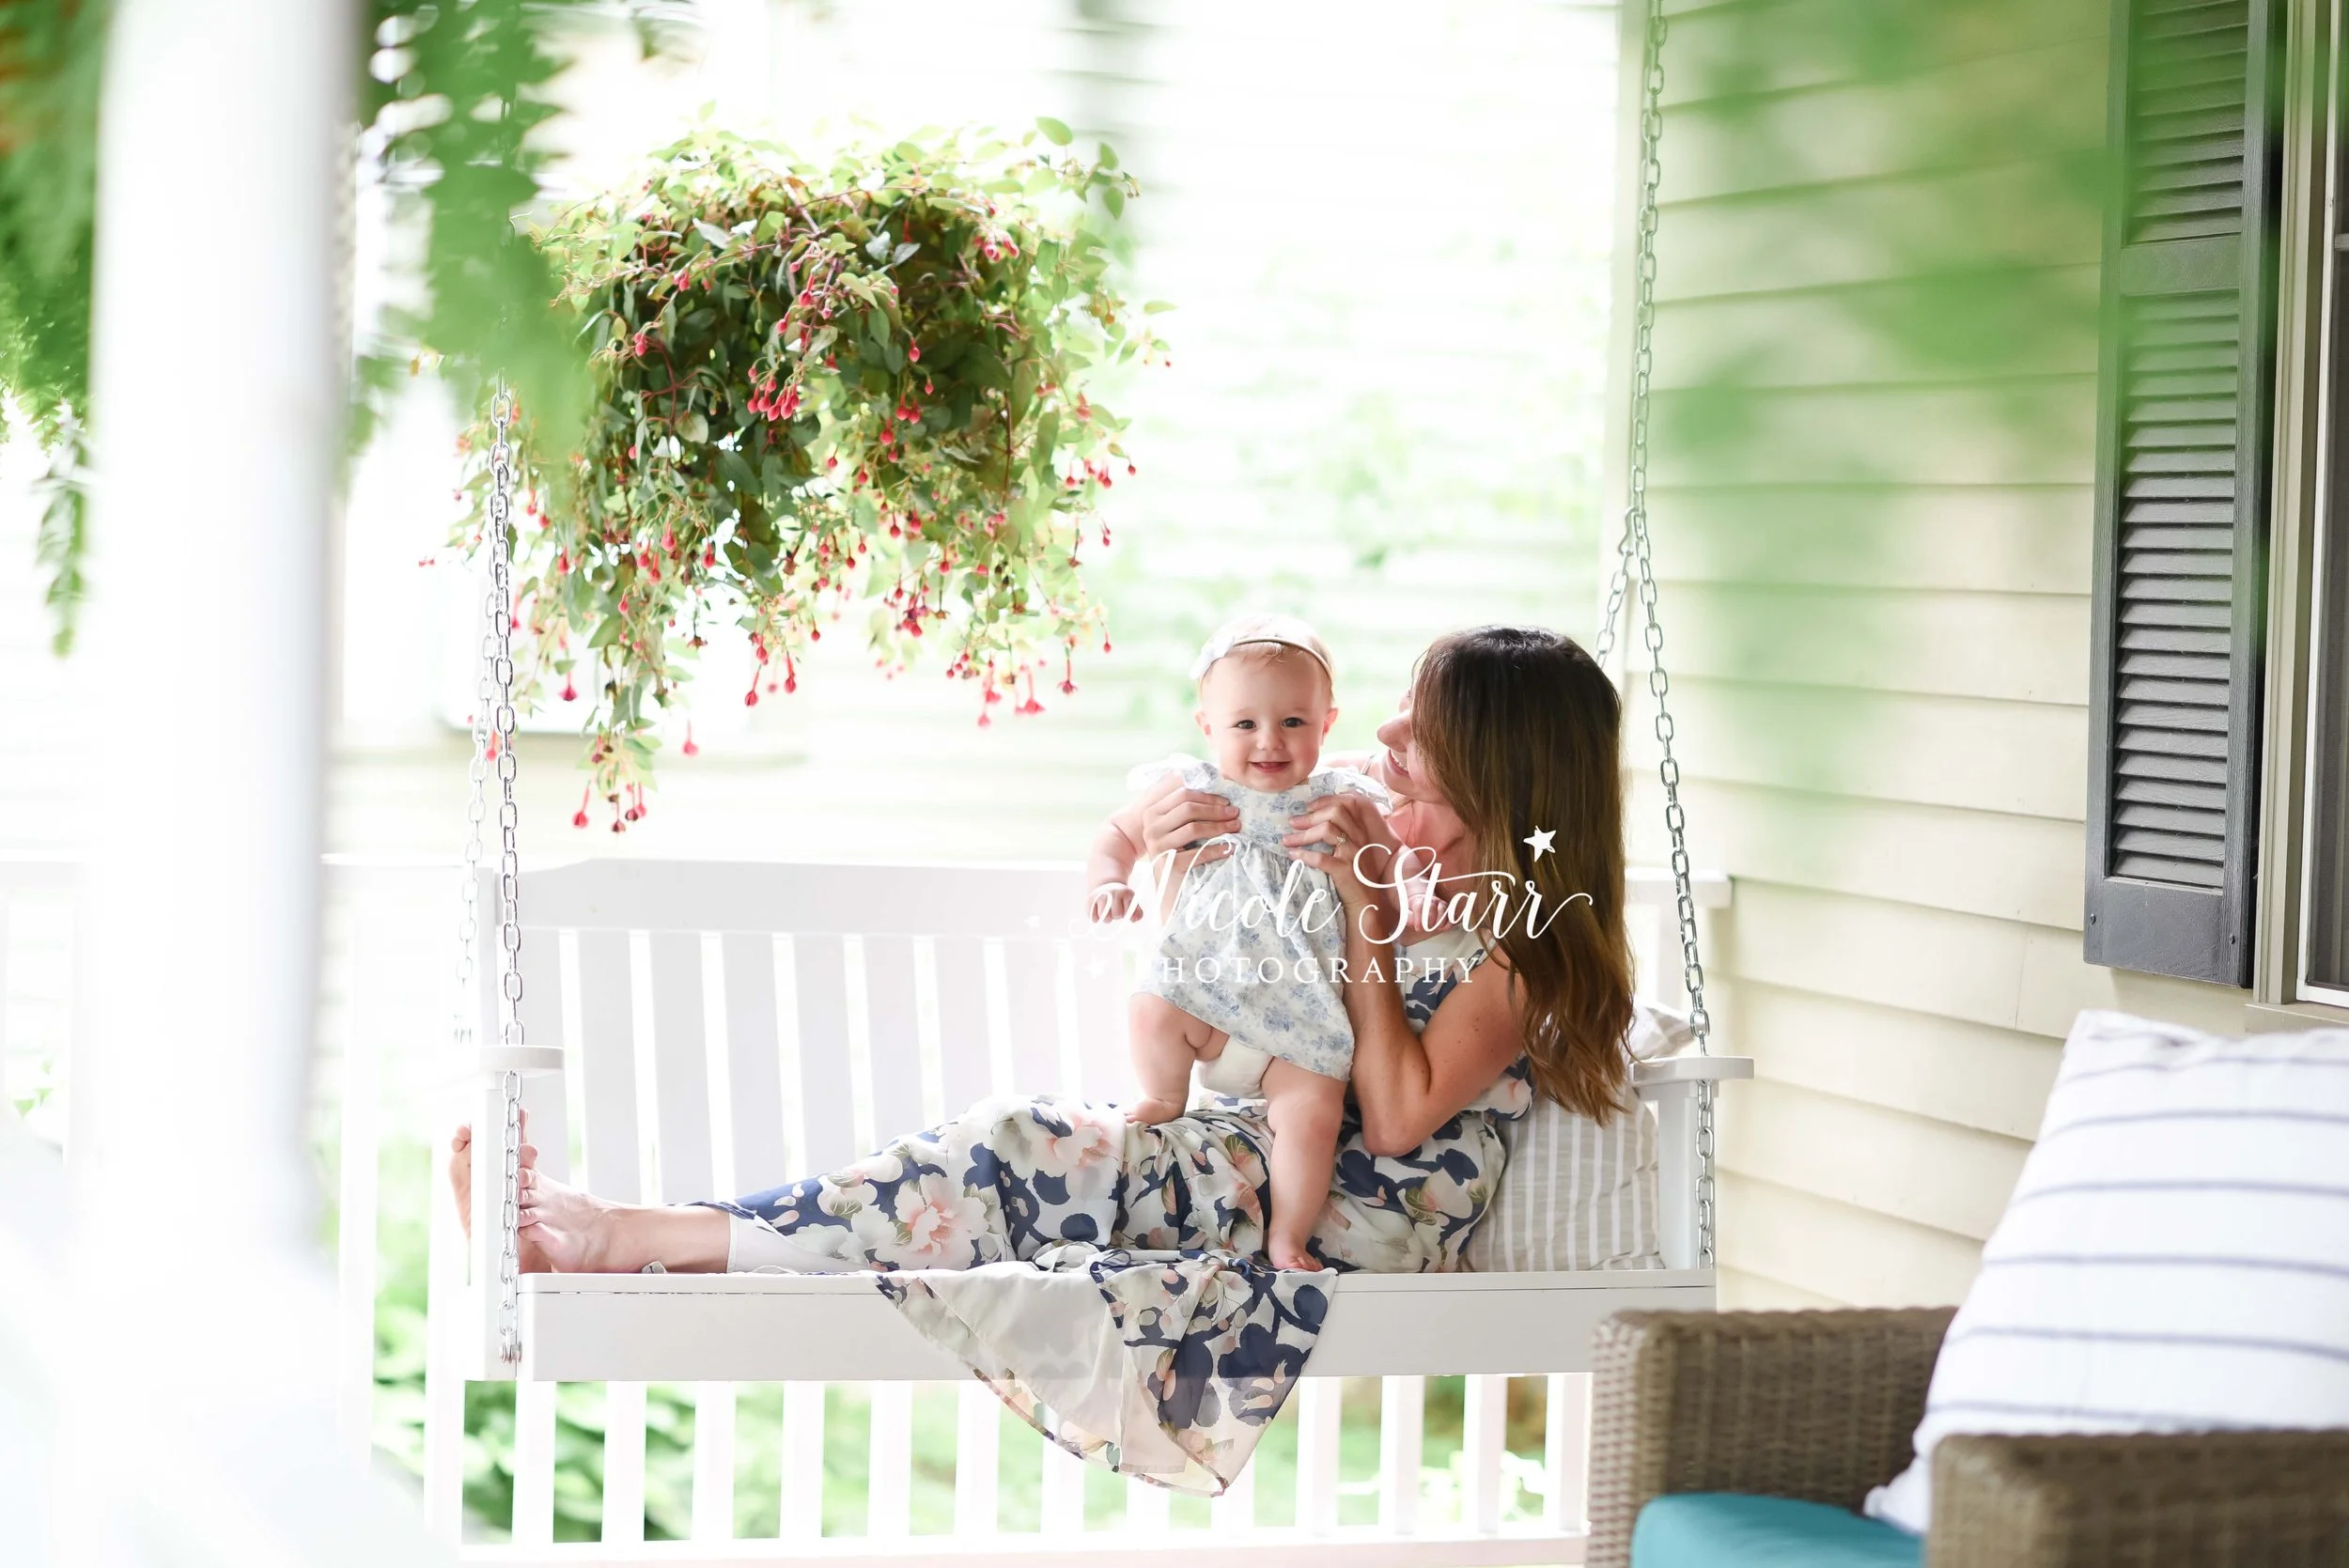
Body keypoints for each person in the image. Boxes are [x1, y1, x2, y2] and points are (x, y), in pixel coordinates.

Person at [450, 624, 1636, 1283]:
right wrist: (1163, 842)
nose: (1384, 731)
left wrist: (1366, 916)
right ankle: (627, 1233)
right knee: (1008, 1148)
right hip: (1250, 1152)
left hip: (1358, 1210)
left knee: (1014, 1146)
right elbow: (1248, 855)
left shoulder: (1522, 946)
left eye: (1422, 724)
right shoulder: (1398, 854)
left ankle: (621, 1237)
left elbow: (1397, 1119)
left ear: (1497, 767)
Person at [1086, 612, 1386, 1271]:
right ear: (1208, 727)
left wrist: (1407, 888)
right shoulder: (1193, 790)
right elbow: (1118, 833)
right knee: (1151, 1007)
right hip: (1208, 1003)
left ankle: (1288, 1235)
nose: (1269, 740)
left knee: (1314, 1115)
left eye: (1293, 721)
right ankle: (1167, 1094)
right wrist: (1110, 879)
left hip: (1300, 1022)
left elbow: (1386, 865)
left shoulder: (1340, 801)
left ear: (1327, 723)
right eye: (1245, 724)